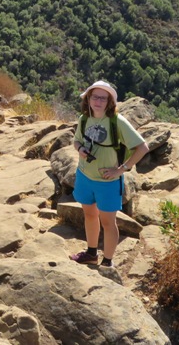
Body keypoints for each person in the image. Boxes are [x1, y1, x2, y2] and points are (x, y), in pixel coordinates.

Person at [69, 80, 149, 268]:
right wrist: (80, 148)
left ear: (109, 102)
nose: (98, 101)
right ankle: (91, 253)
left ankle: (107, 262)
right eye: (94, 96)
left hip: (107, 181)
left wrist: (122, 169)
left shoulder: (117, 122)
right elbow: (76, 141)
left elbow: (142, 147)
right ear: (88, 98)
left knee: (108, 222)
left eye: (102, 98)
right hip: (84, 175)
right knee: (89, 215)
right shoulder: (84, 118)